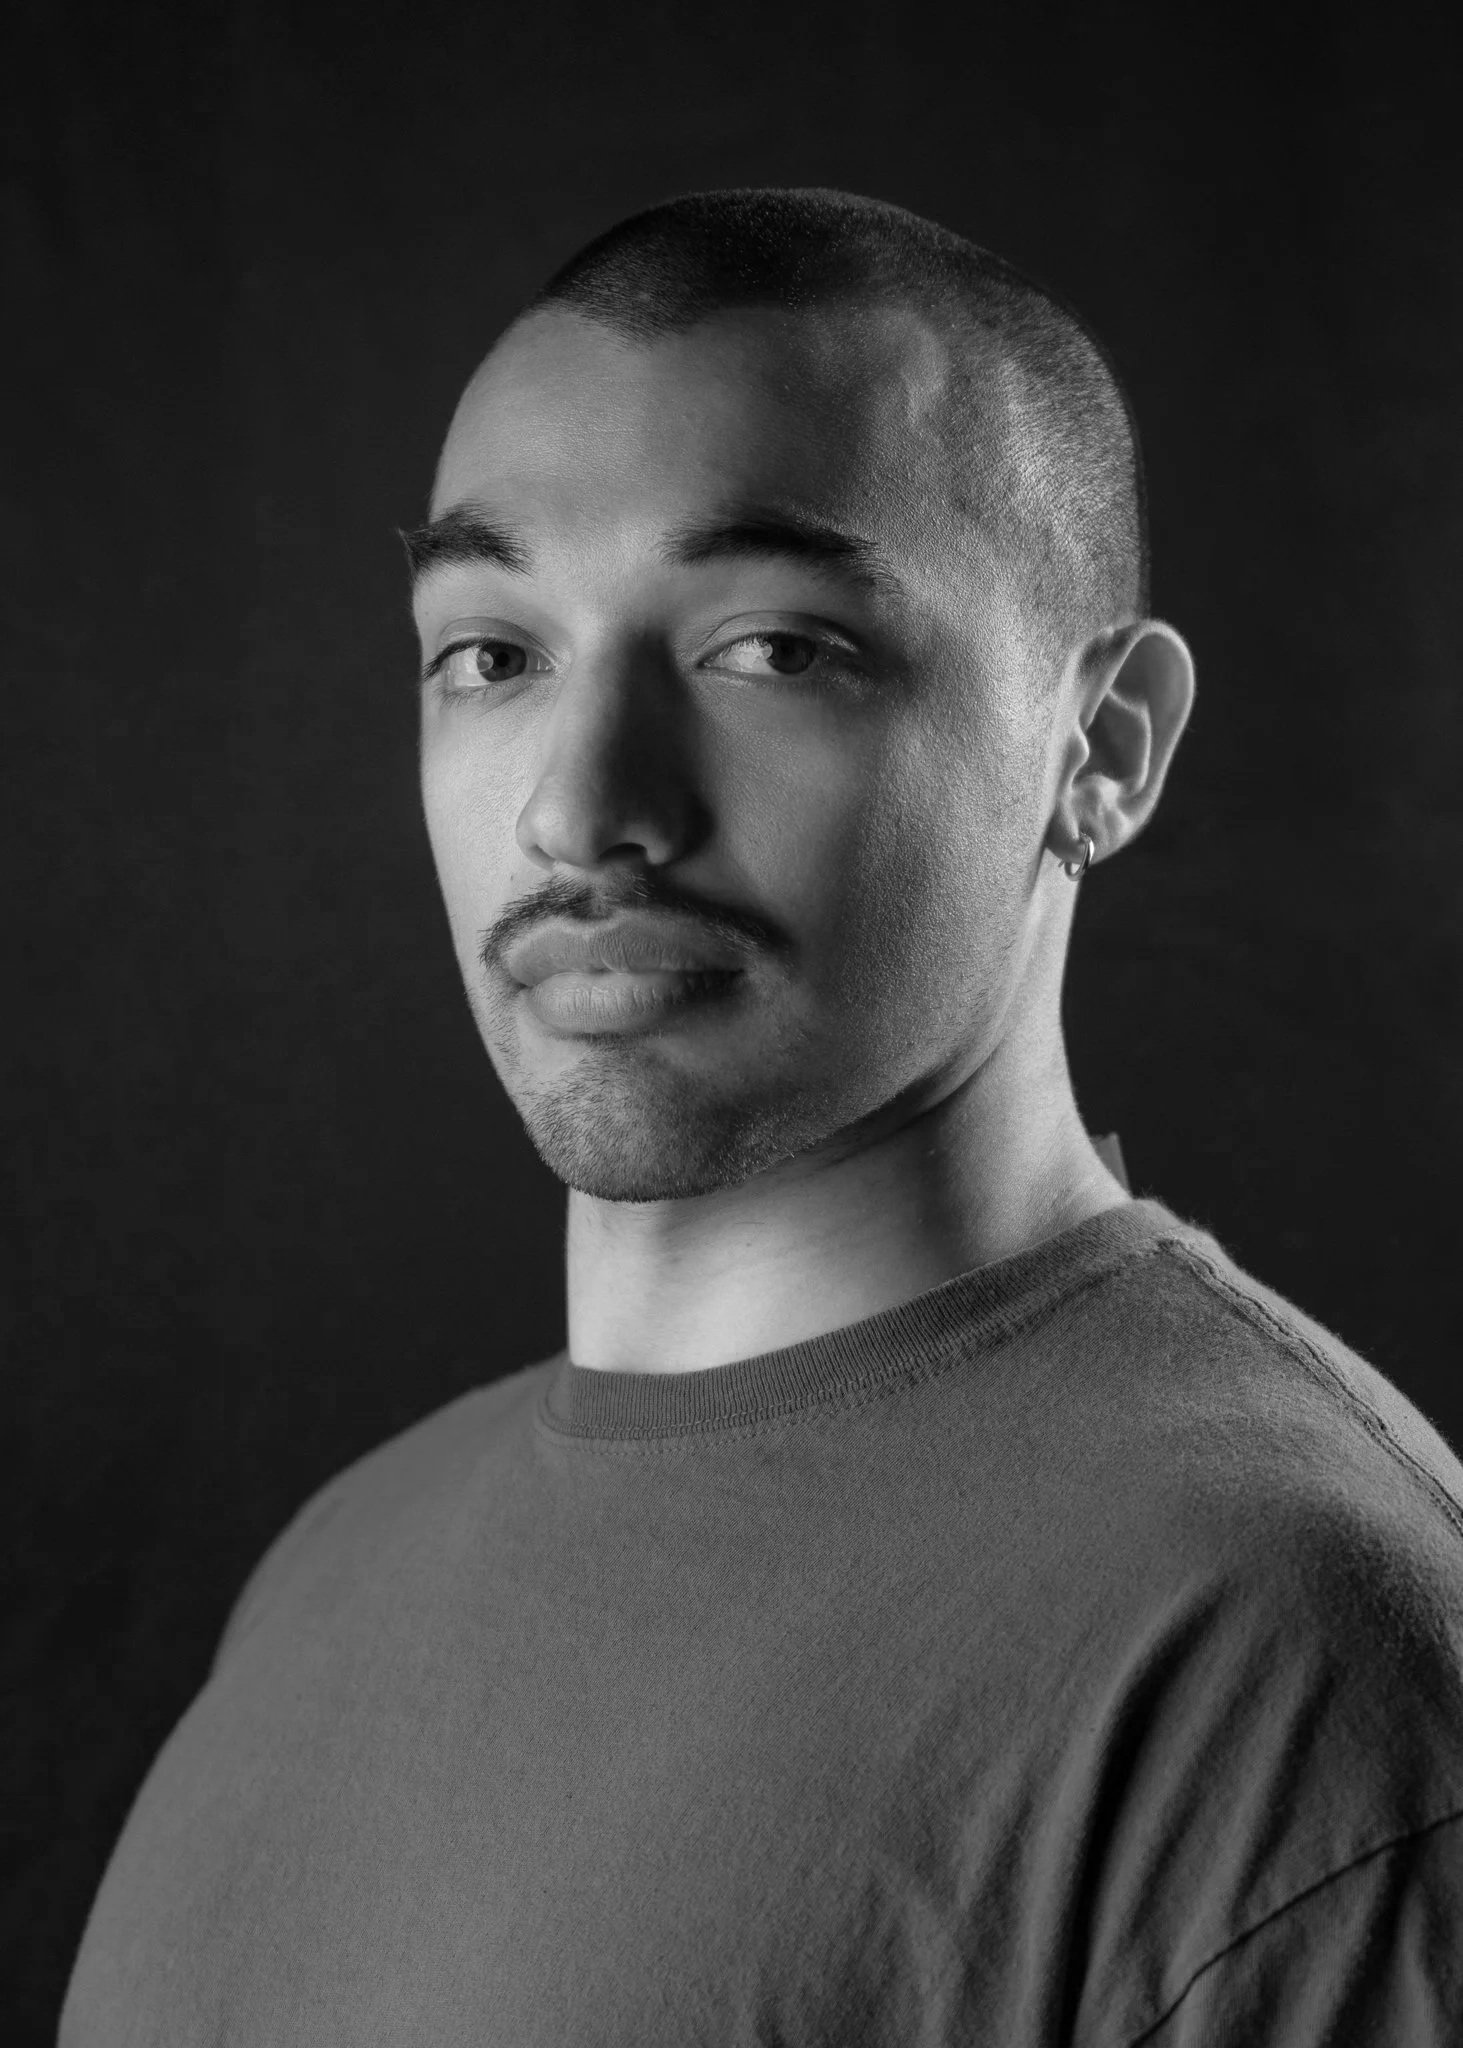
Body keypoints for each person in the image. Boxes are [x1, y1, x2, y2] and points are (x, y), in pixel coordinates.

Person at [60, 188, 1463, 2045]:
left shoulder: (1288, 1650)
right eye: (493, 651)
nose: (581, 808)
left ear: (1102, 747)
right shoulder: (334, 1567)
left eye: (773, 648)